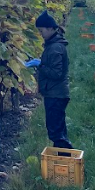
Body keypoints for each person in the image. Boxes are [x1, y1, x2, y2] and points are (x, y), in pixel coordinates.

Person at [25, 10, 74, 149]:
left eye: (41, 31)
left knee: (55, 131)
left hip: (56, 94)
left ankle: (66, 159)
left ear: (51, 28)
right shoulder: (54, 45)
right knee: (58, 128)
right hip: (55, 93)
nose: (40, 34)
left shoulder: (55, 47)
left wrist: (40, 65)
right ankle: (65, 157)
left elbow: (56, 73)